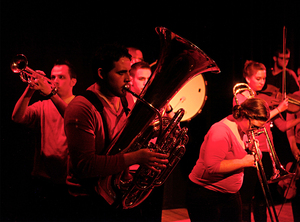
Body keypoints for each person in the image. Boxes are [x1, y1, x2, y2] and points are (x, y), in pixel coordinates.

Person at [64, 43, 168, 221]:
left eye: (129, 72)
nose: (128, 79)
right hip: (89, 202)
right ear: (101, 73)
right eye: (121, 73)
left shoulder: (126, 98)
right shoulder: (82, 108)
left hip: (115, 194)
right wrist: (137, 157)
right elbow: (85, 166)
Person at [11, 59, 77, 220]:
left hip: (69, 181)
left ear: (73, 81)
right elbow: (16, 118)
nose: (55, 81)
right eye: (53, 77)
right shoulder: (43, 105)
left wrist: (50, 93)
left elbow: (71, 118)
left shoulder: (79, 104)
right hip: (43, 179)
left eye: (61, 77)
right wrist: (30, 88)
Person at [186, 98, 270, 222]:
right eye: (254, 126)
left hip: (229, 195)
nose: (255, 131)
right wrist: (244, 162)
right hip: (206, 194)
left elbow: (239, 154)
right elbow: (212, 166)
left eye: (259, 128)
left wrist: (252, 150)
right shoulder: (221, 131)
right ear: (243, 115)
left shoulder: (243, 128)